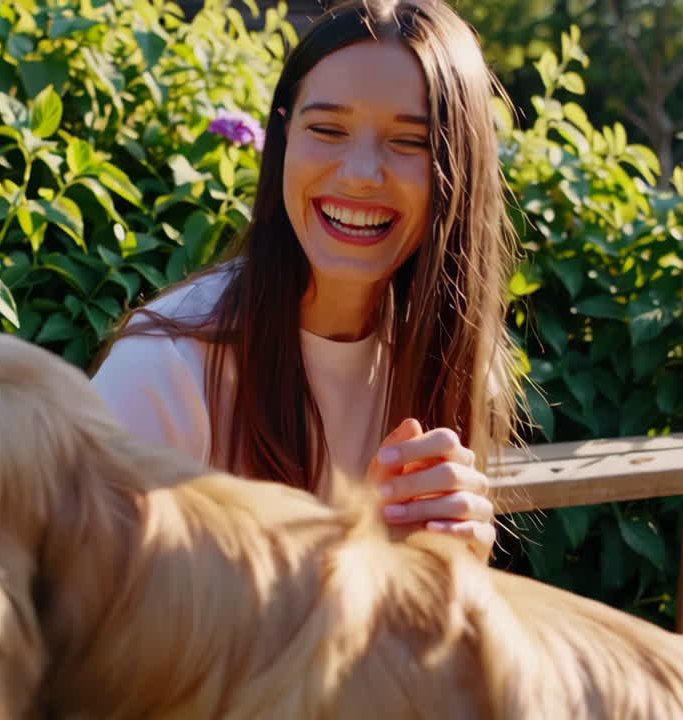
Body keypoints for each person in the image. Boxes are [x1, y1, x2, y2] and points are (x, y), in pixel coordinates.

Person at [90, 0, 521, 560]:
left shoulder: (454, 362)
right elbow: (91, 607)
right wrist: (360, 559)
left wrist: (455, 572)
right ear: (284, 136)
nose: (361, 175)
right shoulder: (165, 369)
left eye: (411, 141)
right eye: (327, 129)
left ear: (461, 167)